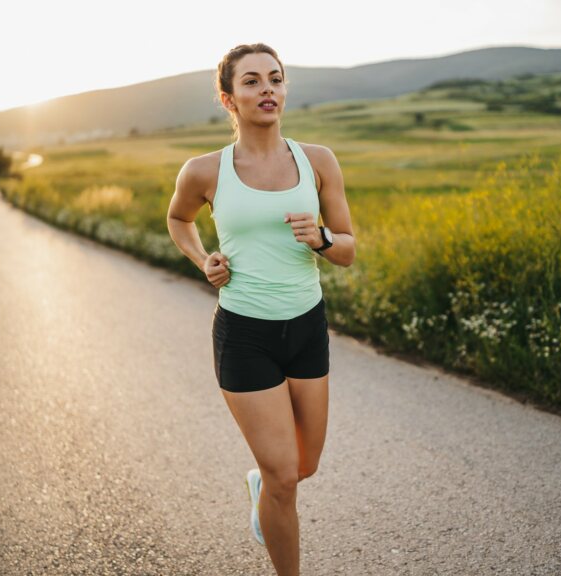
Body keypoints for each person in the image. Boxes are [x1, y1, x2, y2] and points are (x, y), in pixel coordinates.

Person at [166, 43, 356, 576]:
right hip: (244, 333)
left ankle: (260, 484)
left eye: (275, 79)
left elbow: (347, 249)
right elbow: (178, 220)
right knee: (284, 477)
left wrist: (319, 237)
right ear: (228, 98)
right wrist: (204, 258)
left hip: (306, 327)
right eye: (252, 82)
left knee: (303, 466)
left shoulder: (317, 161)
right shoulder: (205, 171)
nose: (267, 89)